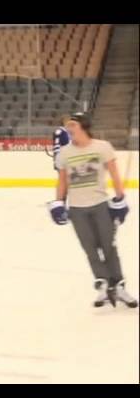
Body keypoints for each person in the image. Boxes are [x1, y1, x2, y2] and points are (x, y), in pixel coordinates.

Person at [48, 112, 137, 308]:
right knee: (90, 248)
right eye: (68, 126)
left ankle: (119, 285)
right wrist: (58, 203)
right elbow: (62, 180)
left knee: (108, 246)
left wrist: (120, 199)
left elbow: (114, 174)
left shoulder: (102, 147)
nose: (69, 129)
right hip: (77, 209)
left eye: (72, 125)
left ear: (83, 126)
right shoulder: (64, 152)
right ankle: (103, 284)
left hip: (100, 205)